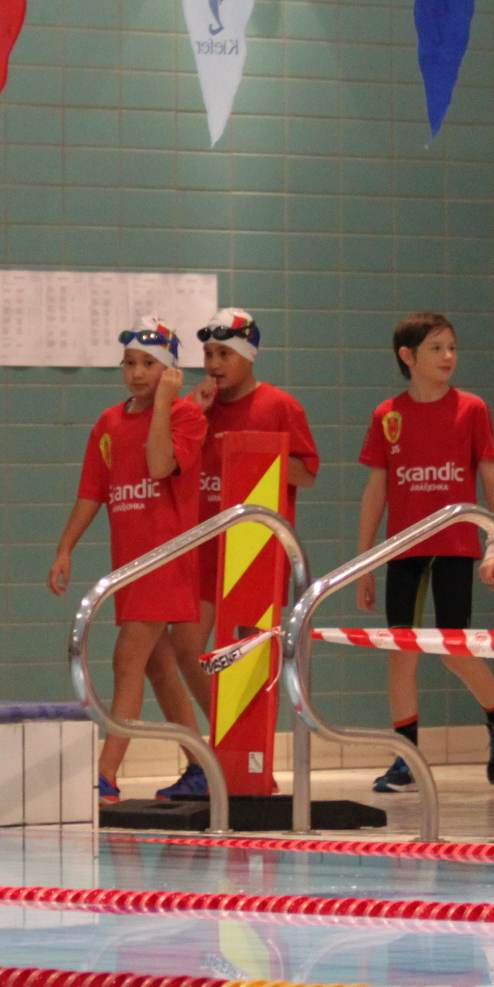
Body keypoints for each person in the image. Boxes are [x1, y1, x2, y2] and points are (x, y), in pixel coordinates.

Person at [48, 317, 207, 801]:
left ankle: (106, 773)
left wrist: (163, 403)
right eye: (130, 363)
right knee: (159, 668)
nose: (137, 373)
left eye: (149, 364)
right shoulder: (108, 423)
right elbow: (92, 492)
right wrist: (65, 547)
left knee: (126, 660)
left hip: (166, 560)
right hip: (130, 565)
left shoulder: (186, 416)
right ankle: (201, 766)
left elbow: (159, 465)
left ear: (170, 370)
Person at [355, 312, 494, 791]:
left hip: (454, 547)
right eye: (437, 348)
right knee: (400, 654)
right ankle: (406, 759)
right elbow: (376, 492)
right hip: (404, 550)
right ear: (408, 356)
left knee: (454, 651)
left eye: (452, 347)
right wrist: (364, 563)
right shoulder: (387, 415)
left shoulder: (472, 409)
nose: (448, 356)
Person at [181, 308, 319, 795]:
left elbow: (307, 473)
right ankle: (227, 748)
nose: (214, 364)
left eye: (224, 354)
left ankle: (250, 763)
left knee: (249, 658)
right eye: (208, 354)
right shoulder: (197, 408)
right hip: (204, 547)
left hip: (256, 552)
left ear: (248, 356)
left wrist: (260, 456)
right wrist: (192, 415)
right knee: (187, 650)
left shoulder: (279, 406)